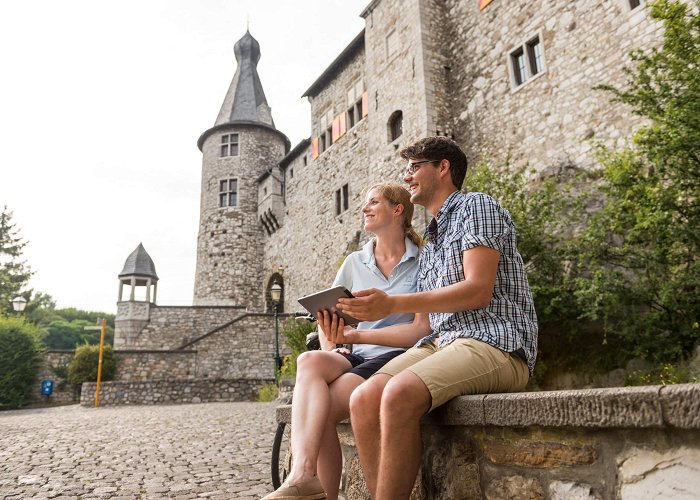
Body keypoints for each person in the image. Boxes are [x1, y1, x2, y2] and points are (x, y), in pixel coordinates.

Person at [336, 137, 538, 499]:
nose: (407, 176)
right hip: (442, 342)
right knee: (363, 399)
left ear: (442, 167)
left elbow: (478, 290)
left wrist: (391, 303)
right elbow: (423, 327)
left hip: (497, 342)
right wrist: (354, 334)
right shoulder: (430, 244)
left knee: (397, 393)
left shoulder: (477, 206)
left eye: (414, 167)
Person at [262, 182, 430, 500]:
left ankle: (314, 487)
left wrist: (357, 336)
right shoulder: (355, 262)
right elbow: (328, 315)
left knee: (321, 410)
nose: (364, 208)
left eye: (373, 202)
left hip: (398, 355)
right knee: (309, 360)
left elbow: (421, 330)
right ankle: (303, 474)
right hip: (356, 352)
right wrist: (333, 346)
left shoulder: (422, 261)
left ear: (398, 210)